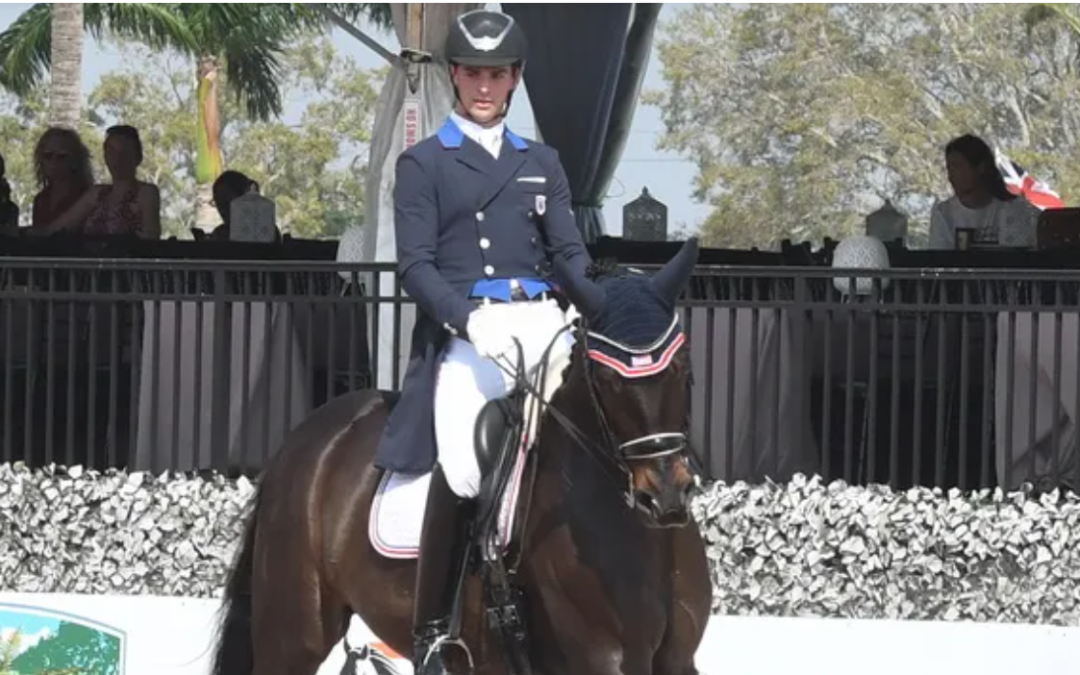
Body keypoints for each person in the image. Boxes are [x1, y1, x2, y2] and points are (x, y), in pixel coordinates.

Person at [370, 9, 592, 675]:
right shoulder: (425, 163)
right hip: (471, 333)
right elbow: (416, 265)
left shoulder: (541, 162)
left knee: (602, 427)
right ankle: (434, 629)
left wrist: (594, 304)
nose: (485, 85)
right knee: (466, 466)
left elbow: (571, 254)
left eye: (498, 74)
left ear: (515, 78)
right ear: (455, 76)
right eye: (474, 73)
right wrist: (468, 319)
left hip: (543, 326)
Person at [37, 125, 161, 239]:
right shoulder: (97, 193)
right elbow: (57, 228)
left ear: (138, 157)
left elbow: (151, 239)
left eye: (124, 151)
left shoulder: (146, 193)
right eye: (110, 151)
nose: (117, 158)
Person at [927, 133, 1039, 250]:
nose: (951, 176)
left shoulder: (1017, 210)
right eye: (949, 168)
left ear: (981, 167)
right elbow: (940, 261)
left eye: (957, 166)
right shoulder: (944, 213)